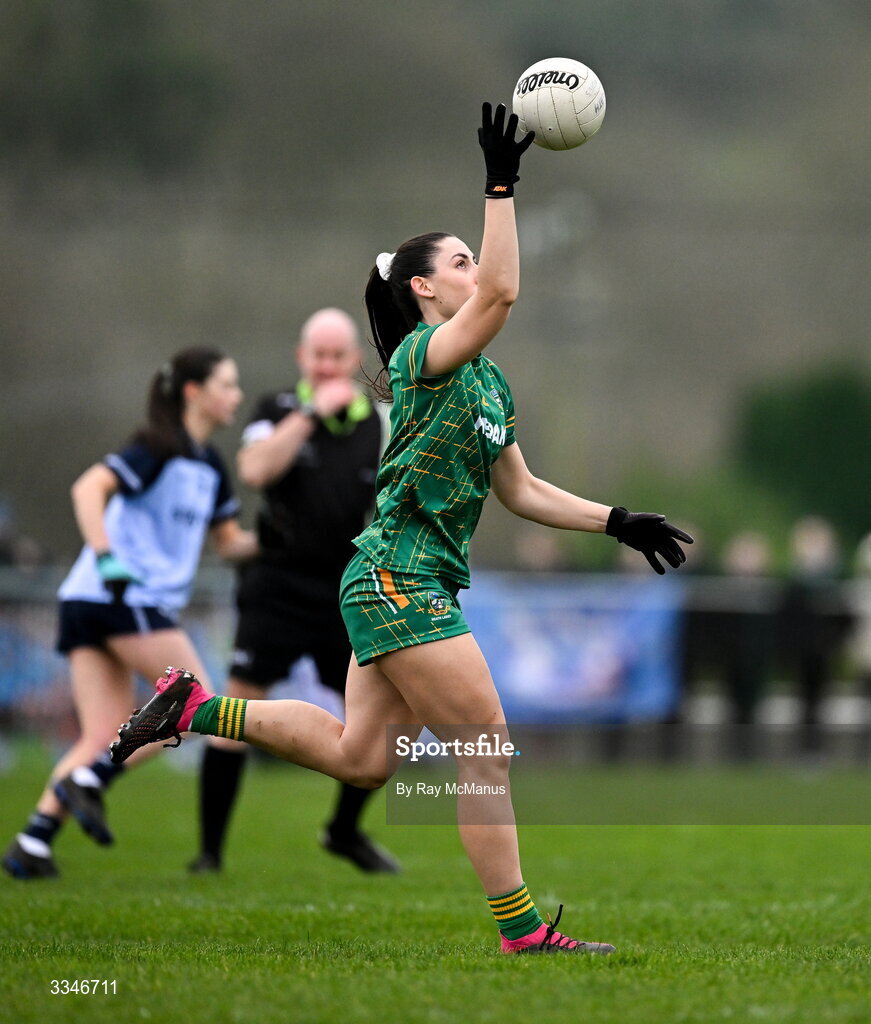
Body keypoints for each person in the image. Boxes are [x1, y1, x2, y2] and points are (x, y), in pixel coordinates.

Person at [110, 103, 692, 954]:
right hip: (398, 579)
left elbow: (522, 490)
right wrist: (501, 185)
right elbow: (502, 289)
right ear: (423, 288)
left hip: (392, 581)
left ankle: (195, 708)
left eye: (471, 253)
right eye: (457, 258)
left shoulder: (488, 382)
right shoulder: (422, 359)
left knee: (360, 759)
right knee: (486, 750)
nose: (475, 265)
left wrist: (615, 521)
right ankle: (523, 933)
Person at [3, 348, 257, 880]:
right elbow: (88, 488)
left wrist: (286, 543)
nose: (236, 395)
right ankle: (92, 779)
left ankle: (33, 843)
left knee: (101, 734)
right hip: (120, 597)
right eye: (227, 385)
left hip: (91, 602)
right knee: (195, 704)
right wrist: (106, 555)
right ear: (194, 391)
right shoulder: (157, 447)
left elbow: (229, 542)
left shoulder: (209, 465)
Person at [189, 308, 398, 874]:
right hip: (276, 586)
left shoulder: (380, 422)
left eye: (339, 355)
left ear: (355, 360)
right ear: (302, 359)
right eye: (318, 355)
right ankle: (210, 852)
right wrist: (309, 414)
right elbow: (255, 470)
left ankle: (344, 831)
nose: (329, 365)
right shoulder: (276, 410)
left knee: (381, 721)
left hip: (347, 590)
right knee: (239, 703)